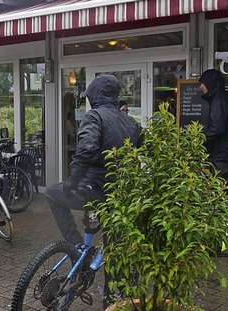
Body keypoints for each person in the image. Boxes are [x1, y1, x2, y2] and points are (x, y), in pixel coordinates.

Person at [46, 74, 143, 307]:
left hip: (91, 191)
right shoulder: (132, 123)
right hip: (118, 198)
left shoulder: (94, 116)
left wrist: (71, 182)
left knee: (51, 192)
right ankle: (111, 302)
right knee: (114, 250)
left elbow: (87, 149)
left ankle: (77, 246)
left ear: (94, 95)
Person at [198, 69, 228, 191]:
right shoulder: (221, 100)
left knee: (220, 196)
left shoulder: (219, 101)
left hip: (222, 159)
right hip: (224, 157)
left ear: (209, 83)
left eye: (202, 83)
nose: (200, 87)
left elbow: (216, 129)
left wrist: (198, 139)